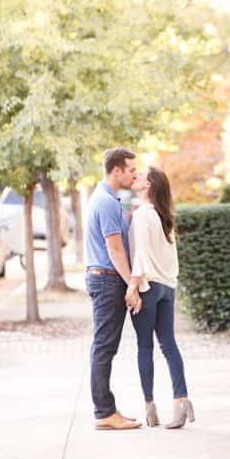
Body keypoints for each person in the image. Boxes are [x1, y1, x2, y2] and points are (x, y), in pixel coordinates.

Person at [127, 165, 194, 429]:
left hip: (149, 286)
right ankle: (181, 400)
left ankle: (149, 407)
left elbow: (141, 254)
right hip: (167, 286)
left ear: (149, 185)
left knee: (145, 346)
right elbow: (171, 258)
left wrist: (134, 286)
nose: (136, 177)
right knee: (169, 343)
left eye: (141, 175)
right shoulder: (164, 216)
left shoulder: (144, 214)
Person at [85, 147, 142, 430]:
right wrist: (132, 282)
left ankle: (106, 410)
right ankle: (104, 412)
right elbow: (116, 248)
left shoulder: (111, 198)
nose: (135, 173)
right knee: (104, 347)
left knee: (106, 346)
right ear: (116, 171)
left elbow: (126, 222)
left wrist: (136, 194)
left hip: (107, 277)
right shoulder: (105, 202)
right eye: (131, 169)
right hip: (108, 279)